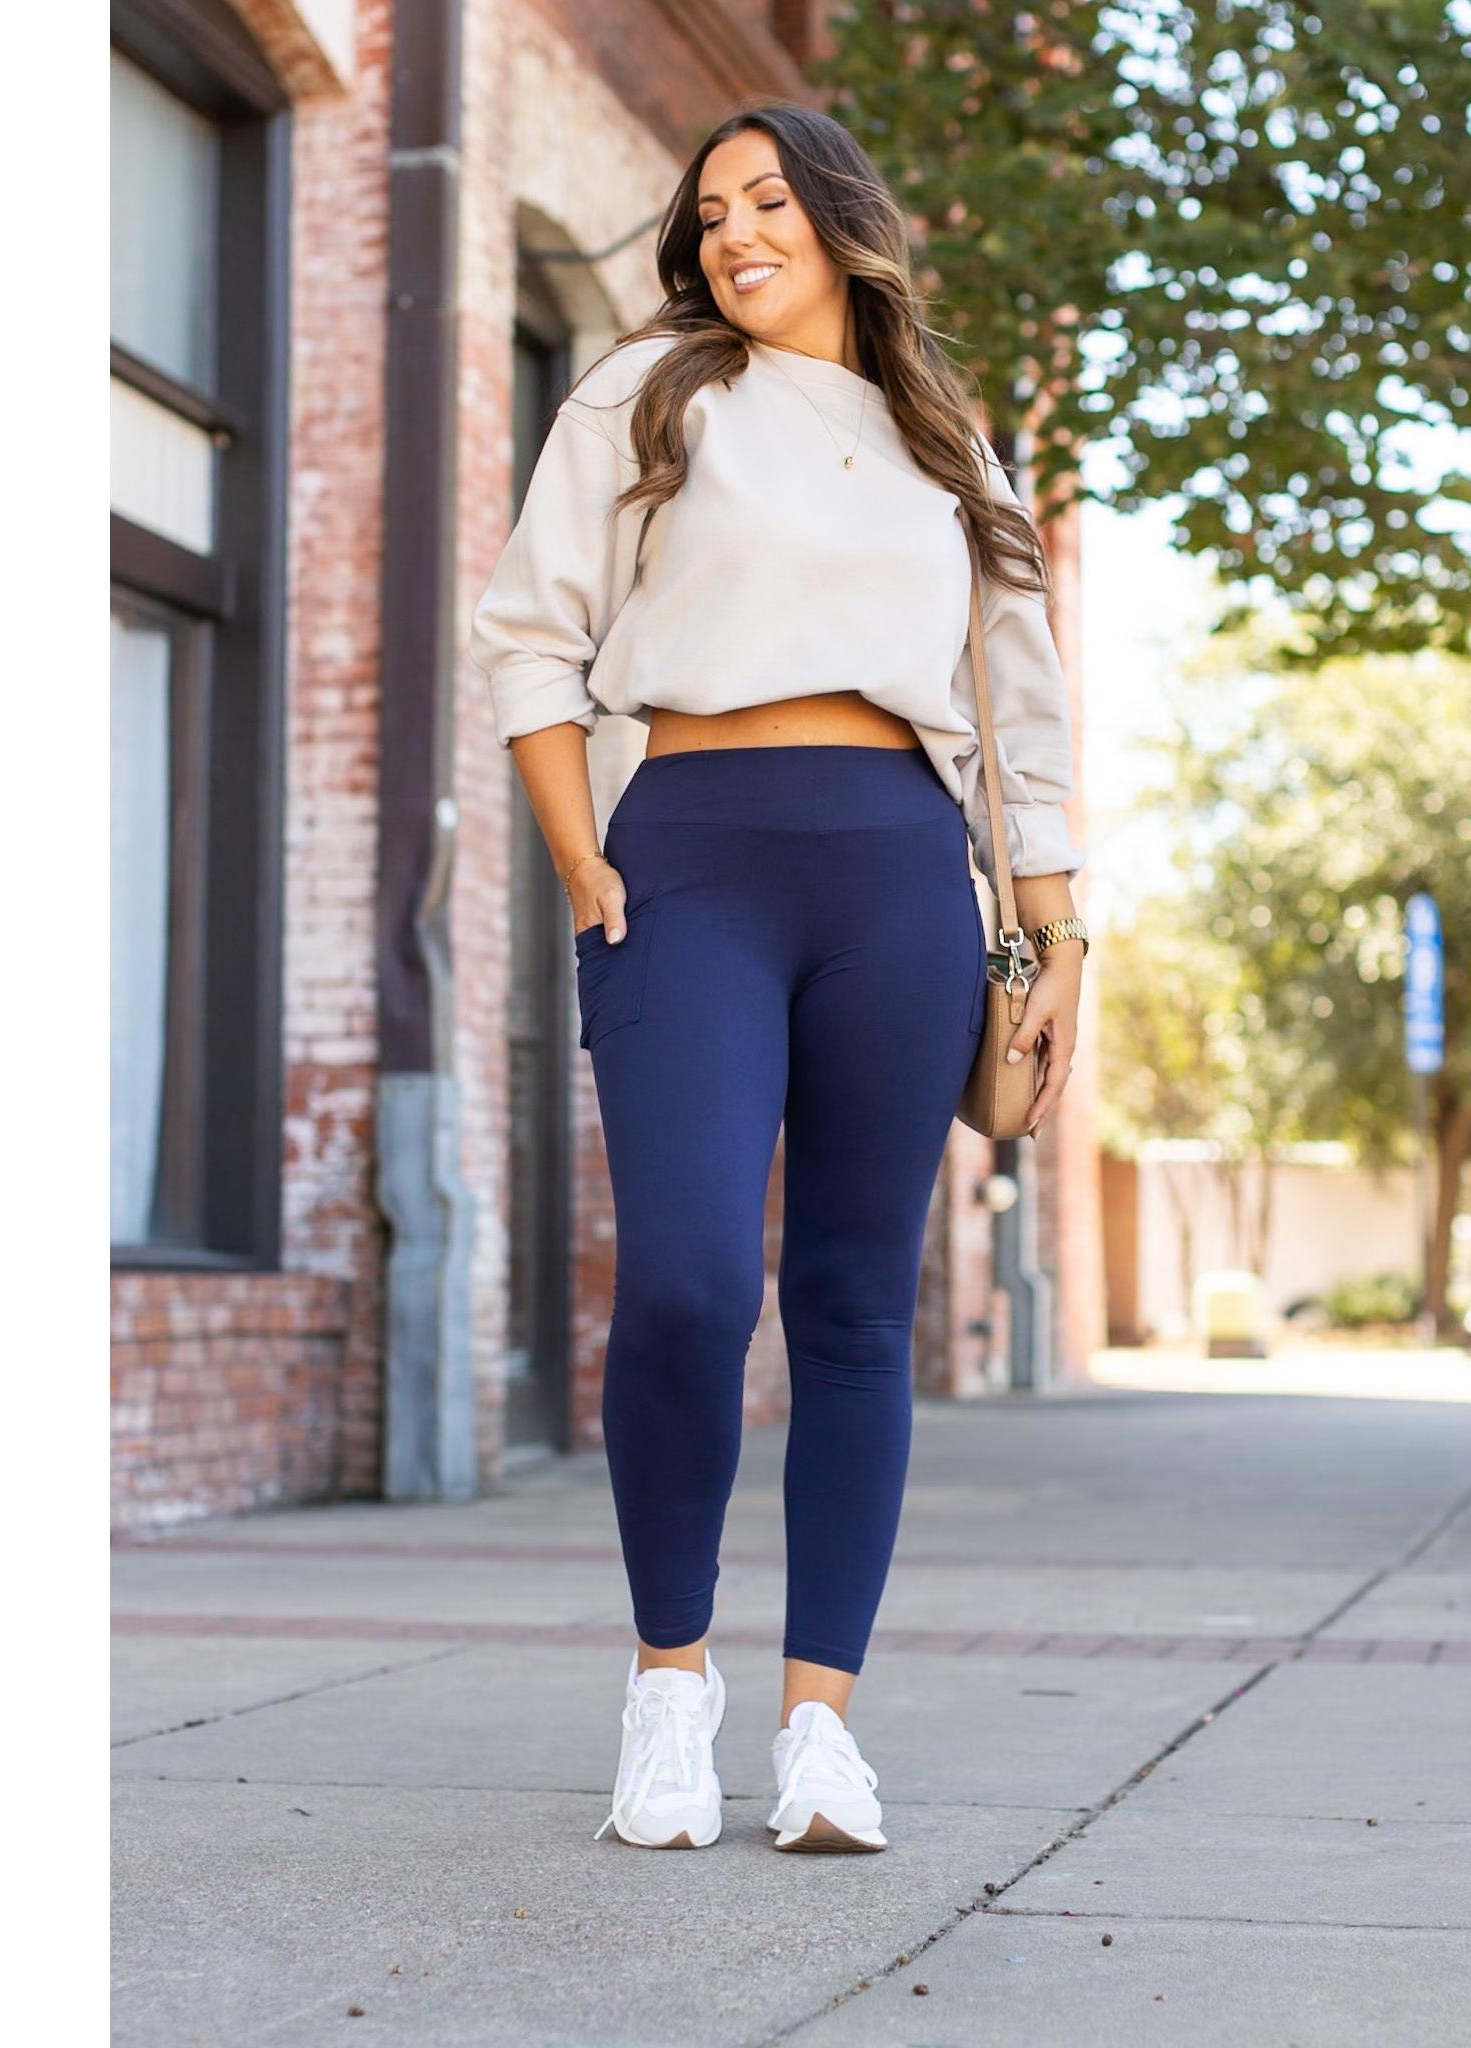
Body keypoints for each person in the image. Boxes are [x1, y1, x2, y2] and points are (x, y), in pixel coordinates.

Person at [469, 100, 1088, 1853]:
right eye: (710, 210)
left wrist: (1053, 940)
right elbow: (529, 635)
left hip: (898, 870)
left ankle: (824, 1729)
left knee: (857, 1305)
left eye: (766, 201)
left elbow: (1022, 708)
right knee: (683, 1282)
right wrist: (582, 855)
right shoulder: (648, 395)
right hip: (689, 858)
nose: (733, 231)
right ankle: (671, 1688)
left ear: (838, 218)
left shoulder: (948, 440)